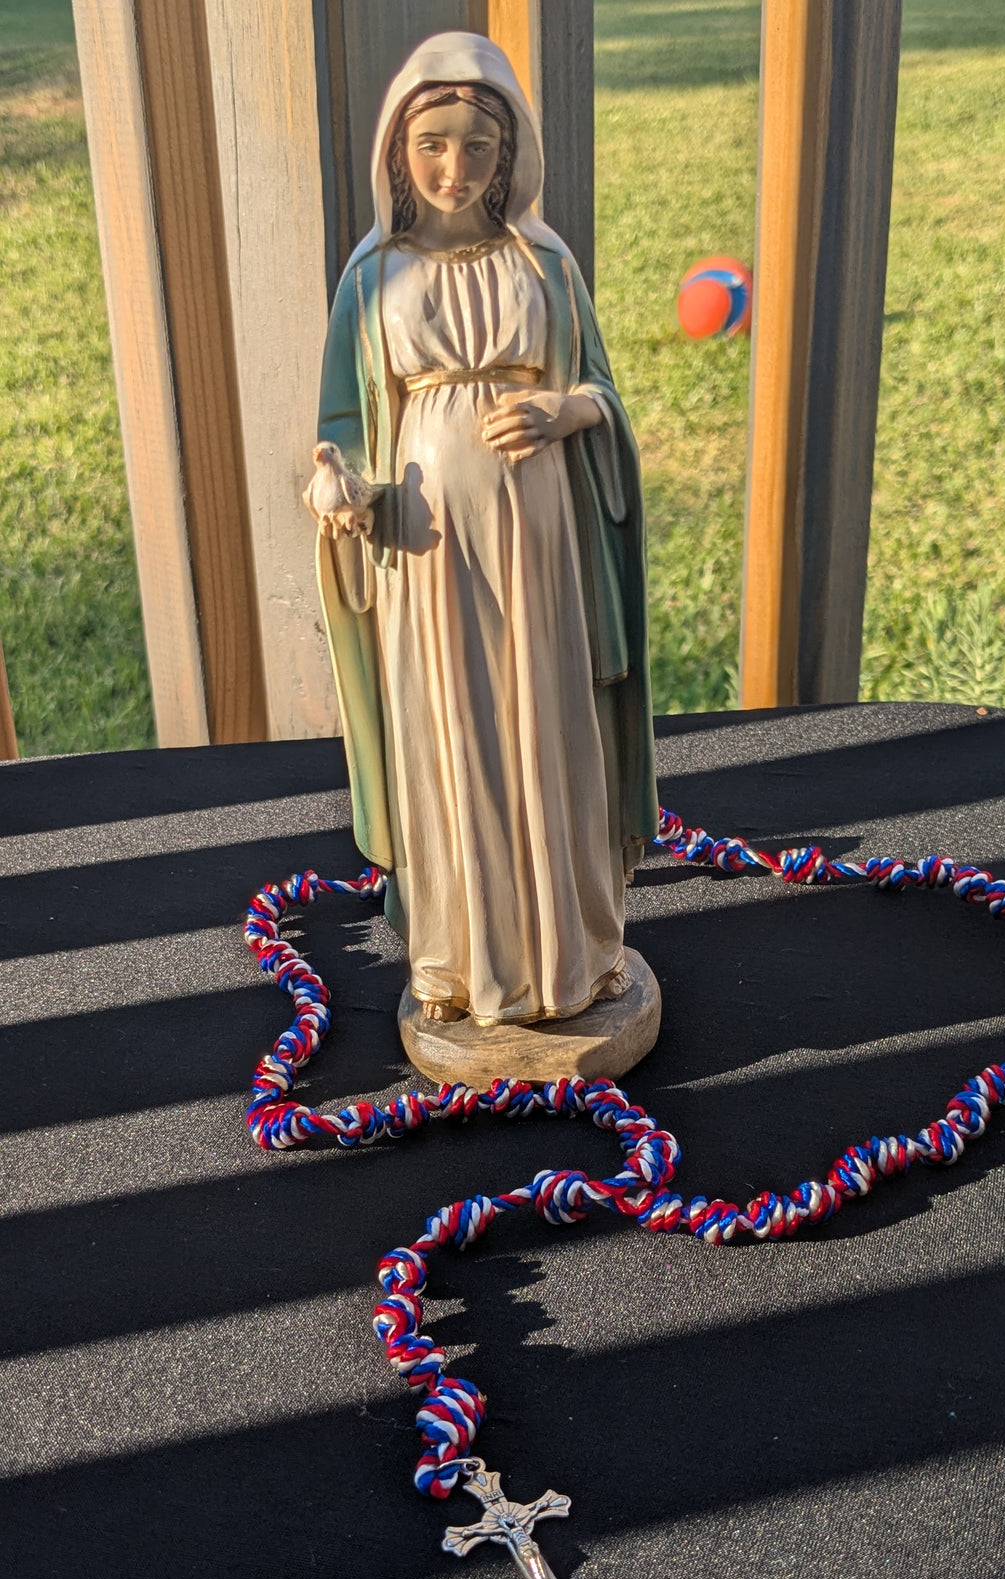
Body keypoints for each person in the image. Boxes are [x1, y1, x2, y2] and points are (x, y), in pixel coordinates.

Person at [312, 31, 657, 1029]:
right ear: (397, 151)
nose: (454, 167)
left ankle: (577, 954)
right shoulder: (371, 275)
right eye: (433, 144)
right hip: (426, 540)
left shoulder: (542, 262)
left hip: (539, 531)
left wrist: (563, 411)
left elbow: (601, 389)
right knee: (449, 729)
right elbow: (343, 423)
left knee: (546, 722)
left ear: (509, 156)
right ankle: (457, 957)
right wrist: (341, 484)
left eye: (475, 145)